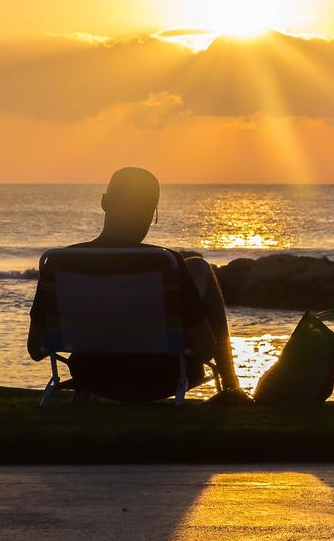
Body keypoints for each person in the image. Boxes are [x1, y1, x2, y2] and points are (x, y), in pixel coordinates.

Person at [27, 167, 249, 403]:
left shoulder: (60, 262)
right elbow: (205, 348)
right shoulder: (166, 264)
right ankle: (231, 386)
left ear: (105, 203)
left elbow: (36, 348)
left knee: (197, 268)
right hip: (162, 377)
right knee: (200, 268)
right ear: (151, 213)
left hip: (91, 376)